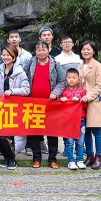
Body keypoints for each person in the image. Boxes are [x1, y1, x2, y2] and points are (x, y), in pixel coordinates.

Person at [0, 45, 30, 170]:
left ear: (14, 57)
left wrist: (12, 91)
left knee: (7, 136)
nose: (5, 57)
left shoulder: (20, 72)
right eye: (4, 55)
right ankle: (6, 157)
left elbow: (26, 90)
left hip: (13, 108)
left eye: (8, 55)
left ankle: (12, 158)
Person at [27, 40, 65, 169]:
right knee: (34, 133)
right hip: (33, 104)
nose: (41, 52)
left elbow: (62, 81)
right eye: (39, 50)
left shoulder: (55, 63)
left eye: (44, 49)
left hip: (51, 104)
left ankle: (52, 159)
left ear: (48, 50)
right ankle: (36, 158)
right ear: (35, 51)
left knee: (52, 132)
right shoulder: (30, 63)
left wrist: (55, 93)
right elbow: (24, 79)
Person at [78, 40, 101, 170]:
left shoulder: (97, 65)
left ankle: (99, 157)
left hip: (93, 102)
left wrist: (87, 97)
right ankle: (89, 156)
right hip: (81, 103)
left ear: (94, 51)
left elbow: (99, 87)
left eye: (88, 49)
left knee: (96, 130)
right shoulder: (80, 65)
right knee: (86, 131)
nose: (86, 51)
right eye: (83, 49)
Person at [59, 68, 87, 170]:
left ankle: (80, 160)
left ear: (78, 80)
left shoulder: (81, 92)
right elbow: (58, 107)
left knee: (80, 142)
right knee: (69, 142)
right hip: (67, 122)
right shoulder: (62, 92)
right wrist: (60, 100)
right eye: (69, 77)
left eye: (74, 78)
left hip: (80, 121)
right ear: (66, 79)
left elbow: (85, 106)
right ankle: (70, 161)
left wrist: (80, 100)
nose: (71, 80)